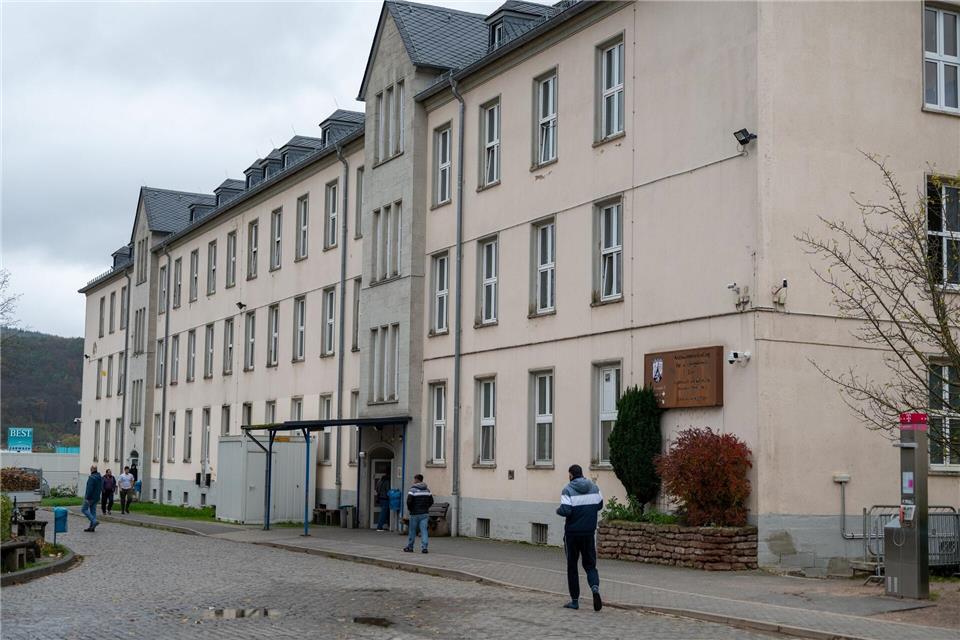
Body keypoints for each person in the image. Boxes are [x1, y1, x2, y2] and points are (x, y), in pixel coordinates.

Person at [556, 464, 603, 611]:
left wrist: (558, 510)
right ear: (581, 474)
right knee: (590, 565)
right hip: (588, 533)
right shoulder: (594, 488)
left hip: (572, 534)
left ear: (571, 475)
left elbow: (566, 510)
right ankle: (595, 588)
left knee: (572, 566)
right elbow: (599, 505)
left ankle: (575, 601)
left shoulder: (567, 489)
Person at [403, 474, 433, 553]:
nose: (414, 481)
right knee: (424, 530)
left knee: (412, 531)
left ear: (417, 480)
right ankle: (424, 548)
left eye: (414, 479)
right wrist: (426, 508)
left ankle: (410, 547)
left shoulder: (412, 490)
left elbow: (409, 501)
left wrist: (410, 509)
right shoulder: (427, 490)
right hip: (424, 513)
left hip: (414, 513)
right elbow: (431, 501)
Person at [81, 465, 103, 532]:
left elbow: (89, 489)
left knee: (84, 509)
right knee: (93, 512)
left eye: (91, 469)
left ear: (92, 469)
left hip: (90, 497)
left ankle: (94, 521)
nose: (90, 470)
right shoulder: (100, 477)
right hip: (96, 497)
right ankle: (92, 527)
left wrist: (87, 498)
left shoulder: (91, 478)